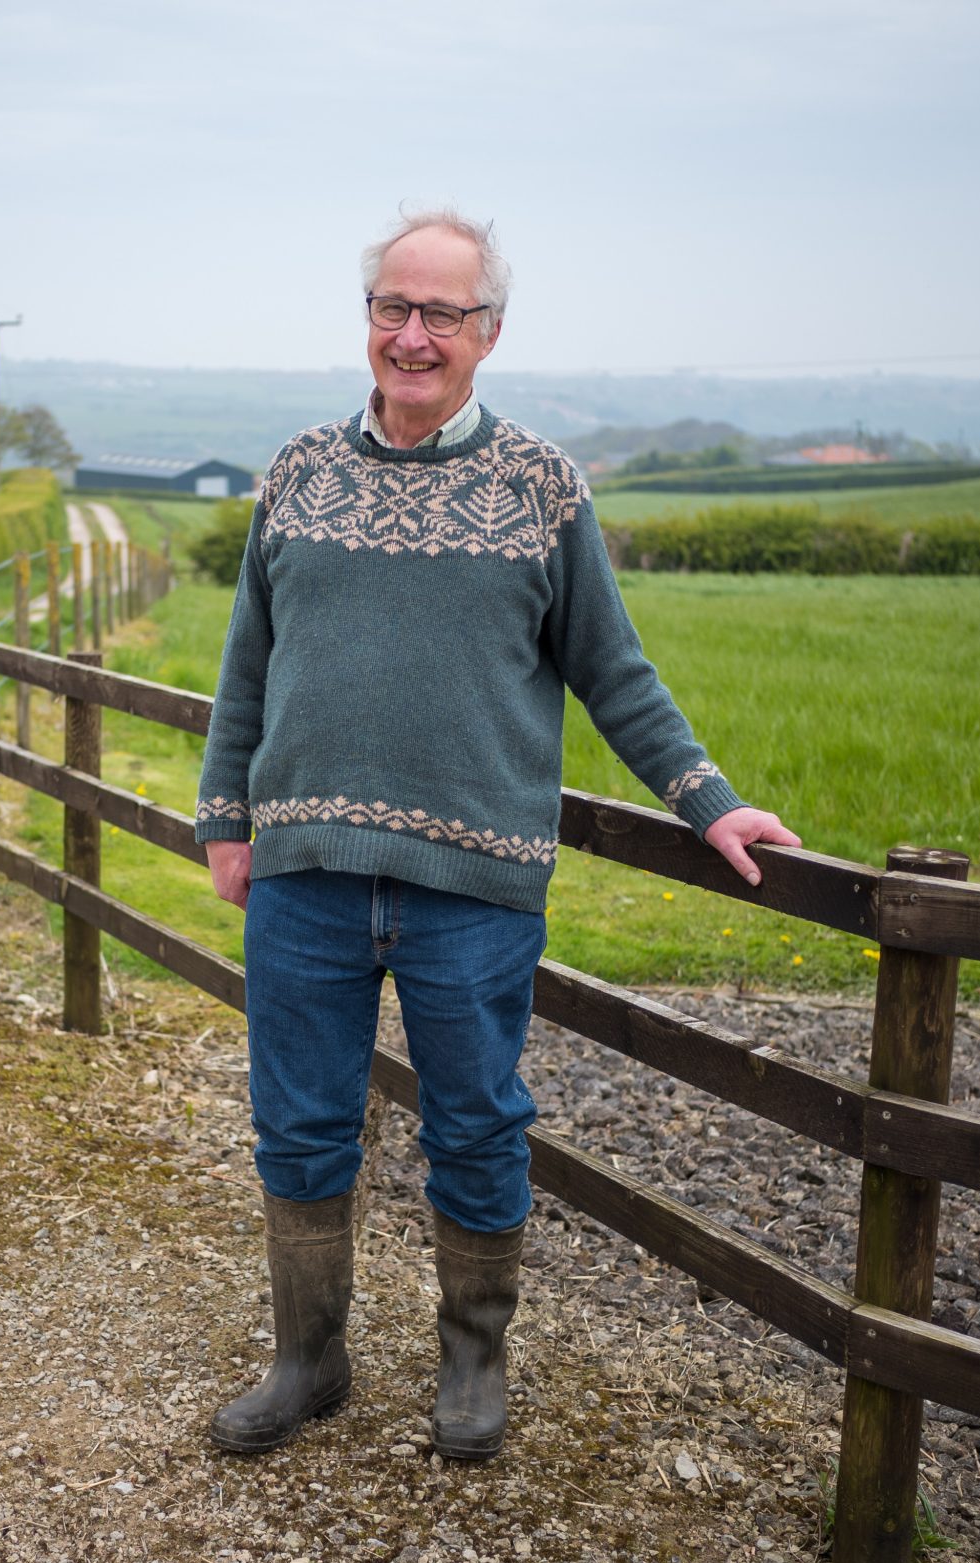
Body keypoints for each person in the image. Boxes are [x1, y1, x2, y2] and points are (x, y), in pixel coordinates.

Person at [194, 208, 797, 1460]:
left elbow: (613, 672)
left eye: (441, 315)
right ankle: (308, 1360)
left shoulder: (539, 487)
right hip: (303, 872)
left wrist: (708, 797)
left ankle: (472, 1367)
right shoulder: (296, 474)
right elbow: (247, 666)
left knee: (475, 1125)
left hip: (472, 883)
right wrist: (226, 818)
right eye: (391, 309)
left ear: (488, 334)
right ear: (367, 320)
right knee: (298, 1123)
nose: (412, 336)